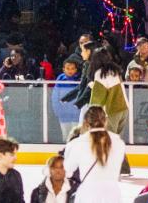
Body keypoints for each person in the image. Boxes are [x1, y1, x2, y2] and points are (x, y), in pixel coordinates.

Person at [63, 105, 127, 202]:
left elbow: (68, 170)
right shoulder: (118, 142)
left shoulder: (76, 143)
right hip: (113, 194)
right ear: (105, 120)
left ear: (85, 123)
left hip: (88, 194)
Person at [87, 46, 131, 174]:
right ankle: (123, 168)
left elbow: (97, 98)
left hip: (113, 111)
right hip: (124, 109)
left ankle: (117, 167)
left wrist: (91, 113)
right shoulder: (114, 71)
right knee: (115, 140)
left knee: (110, 141)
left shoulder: (100, 74)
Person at [52, 54, 83, 141]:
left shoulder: (79, 79)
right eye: (68, 68)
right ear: (63, 69)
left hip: (76, 115)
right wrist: (58, 111)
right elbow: (55, 97)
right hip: (63, 115)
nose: (70, 71)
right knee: (65, 137)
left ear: (76, 70)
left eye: (72, 69)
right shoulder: (60, 79)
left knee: (76, 138)